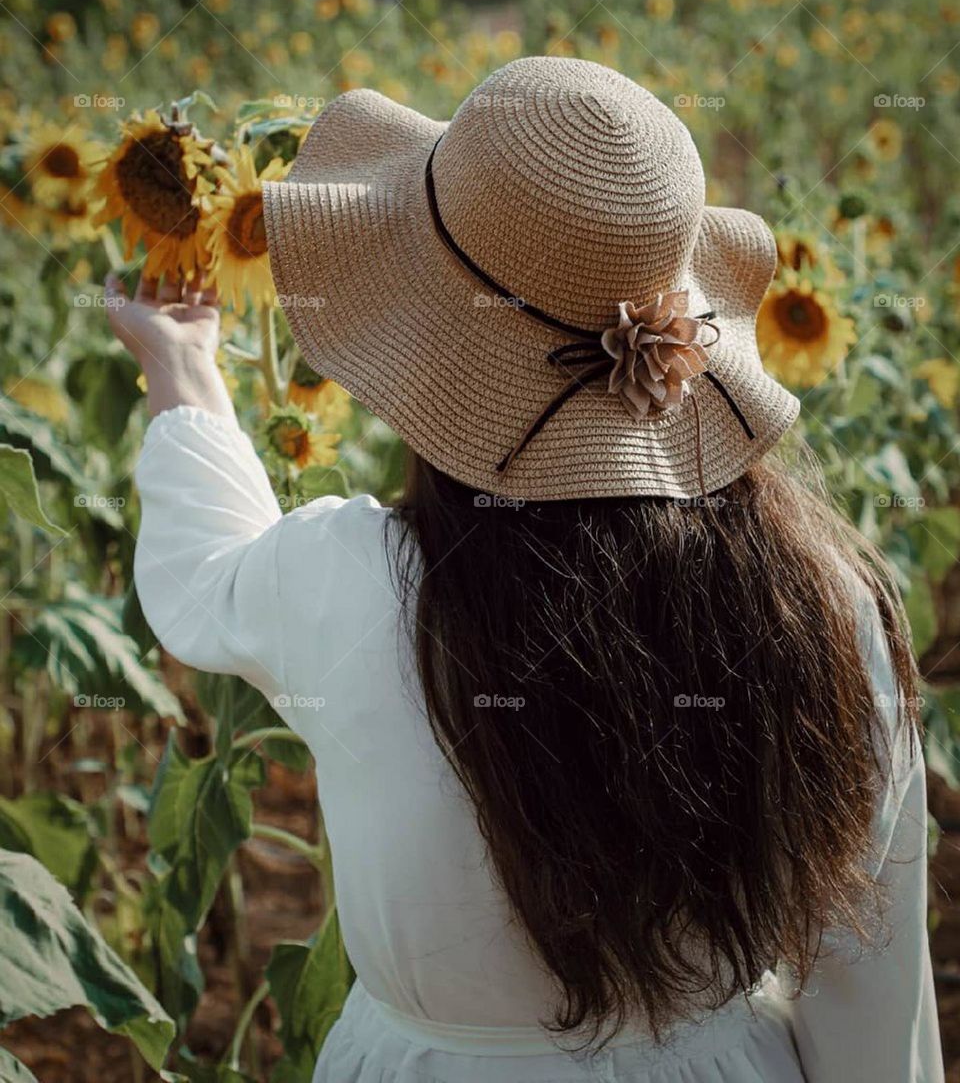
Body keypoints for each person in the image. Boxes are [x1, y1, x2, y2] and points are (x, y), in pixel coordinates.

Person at [106, 58, 942, 1082]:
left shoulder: (357, 582)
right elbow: (870, 966)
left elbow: (206, 575)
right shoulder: (820, 601)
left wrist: (183, 367)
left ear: (427, 332)